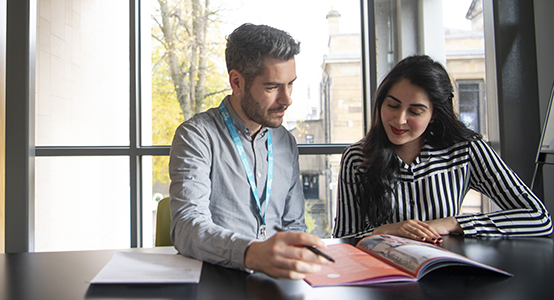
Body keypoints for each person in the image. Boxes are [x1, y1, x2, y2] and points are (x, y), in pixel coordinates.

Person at [169, 23, 331, 280]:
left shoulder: (286, 142)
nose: (287, 99)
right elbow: (187, 227)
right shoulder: (197, 135)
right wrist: (252, 252)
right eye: (272, 87)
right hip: (217, 282)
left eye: (291, 84)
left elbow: (294, 224)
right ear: (237, 82)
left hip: (277, 283)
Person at [333, 55, 552, 241]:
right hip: (384, 279)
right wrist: (383, 231)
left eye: (415, 111)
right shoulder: (357, 158)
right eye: (392, 105)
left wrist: (453, 224)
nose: (400, 120)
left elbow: (539, 218)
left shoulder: (466, 150)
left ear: (434, 114)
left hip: (446, 274)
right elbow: (344, 239)